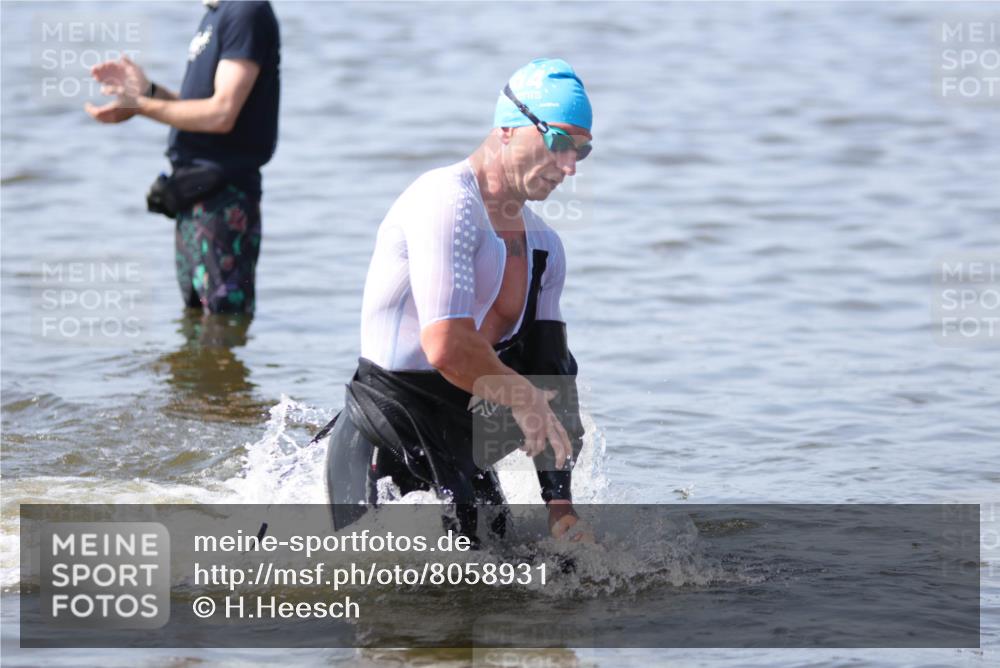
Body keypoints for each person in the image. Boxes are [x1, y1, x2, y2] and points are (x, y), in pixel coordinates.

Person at [324, 58, 595, 543]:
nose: (569, 166)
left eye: (582, 150)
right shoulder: (445, 202)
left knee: (518, 591)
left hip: (459, 457)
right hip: (381, 441)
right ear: (510, 128)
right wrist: (522, 395)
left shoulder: (544, 248)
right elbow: (446, 347)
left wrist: (561, 511)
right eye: (558, 142)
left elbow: (550, 373)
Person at [85, 0, 280, 314]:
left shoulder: (246, 9)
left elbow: (221, 114)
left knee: (223, 326)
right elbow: (198, 106)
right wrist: (148, 92)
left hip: (224, 198)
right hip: (192, 195)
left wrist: (139, 106)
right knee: (193, 323)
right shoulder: (215, 14)